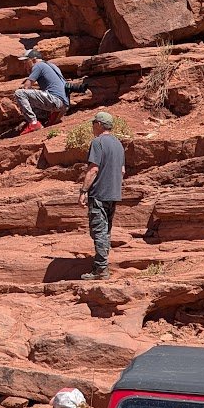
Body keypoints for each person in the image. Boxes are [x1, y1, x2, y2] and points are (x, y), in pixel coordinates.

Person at [79, 111, 126, 281]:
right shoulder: (118, 144)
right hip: (113, 194)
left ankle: (101, 269)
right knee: (105, 231)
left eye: (94, 123)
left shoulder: (98, 142)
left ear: (99, 124)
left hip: (99, 193)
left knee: (99, 231)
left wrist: (84, 191)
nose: (92, 126)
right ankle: (101, 265)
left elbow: (93, 169)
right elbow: (122, 171)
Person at [14, 49, 70, 135]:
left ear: (33, 59)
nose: (24, 65)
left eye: (26, 61)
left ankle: (33, 123)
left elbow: (26, 87)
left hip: (55, 100)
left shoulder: (38, 65)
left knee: (20, 93)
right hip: (64, 104)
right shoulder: (52, 65)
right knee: (36, 95)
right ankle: (45, 118)